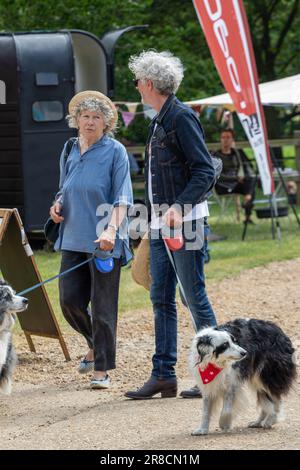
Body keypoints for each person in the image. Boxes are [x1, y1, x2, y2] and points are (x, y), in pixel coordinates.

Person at [125, 50, 217, 400]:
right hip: (163, 223)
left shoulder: (180, 117)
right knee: (160, 296)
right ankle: (163, 375)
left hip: (186, 223)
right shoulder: (158, 120)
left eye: (137, 82)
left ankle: (212, 372)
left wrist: (178, 208)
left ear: (149, 83)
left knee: (193, 297)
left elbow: (204, 170)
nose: (136, 88)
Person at [49, 90, 133, 389]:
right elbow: (64, 188)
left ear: (107, 122)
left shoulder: (115, 152)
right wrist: (57, 205)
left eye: (97, 117)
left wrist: (111, 230)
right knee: (69, 301)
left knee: (102, 307)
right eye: (85, 116)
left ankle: (101, 369)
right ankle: (94, 343)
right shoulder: (70, 148)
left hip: (104, 242)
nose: (90, 122)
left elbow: (123, 197)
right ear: (76, 120)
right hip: (72, 236)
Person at [214, 129, 256, 222]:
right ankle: (247, 200)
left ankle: (247, 213)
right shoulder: (215, 155)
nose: (225, 139)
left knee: (251, 179)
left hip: (236, 184)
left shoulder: (237, 153)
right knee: (249, 188)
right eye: (223, 137)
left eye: (228, 137)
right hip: (222, 186)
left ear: (232, 139)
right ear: (220, 139)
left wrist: (243, 177)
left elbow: (246, 167)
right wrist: (236, 178)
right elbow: (217, 175)